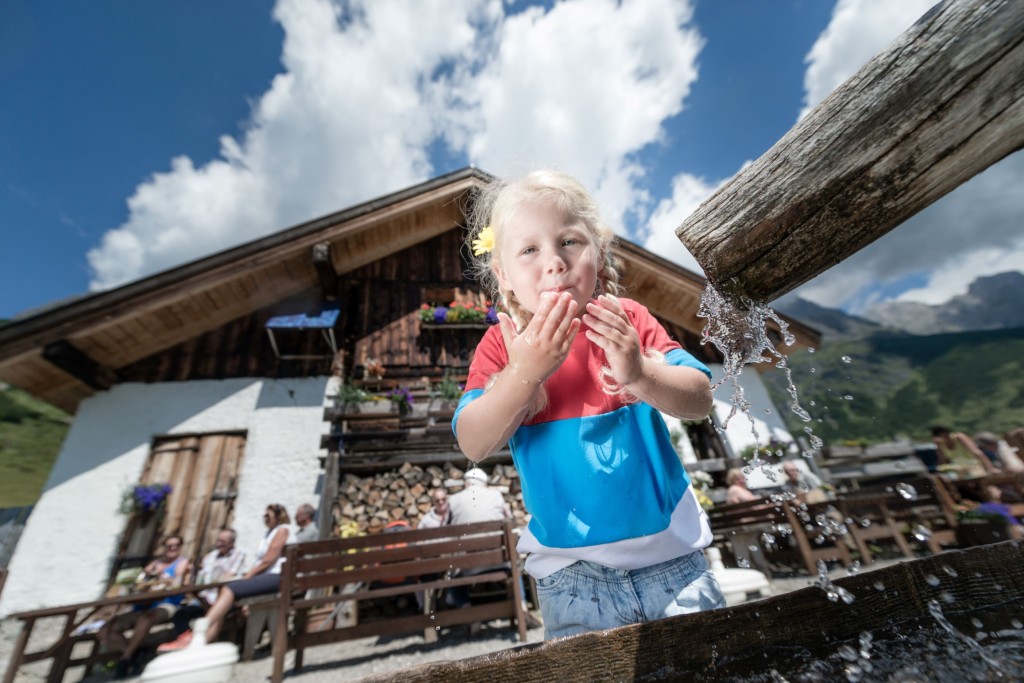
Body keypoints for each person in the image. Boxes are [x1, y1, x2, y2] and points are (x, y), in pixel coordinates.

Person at [453, 169, 724, 639]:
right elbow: (473, 442)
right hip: (570, 576)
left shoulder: (628, 319)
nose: (554, 262)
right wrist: (524, 374)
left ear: (597, 253)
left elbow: (699, 397)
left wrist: (640, 372)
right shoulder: (503, 347)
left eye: (569, 242)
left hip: (675, 560)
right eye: (529, 250)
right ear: (504, 275)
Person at [158, 504, 295, 650]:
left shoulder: (282, 530)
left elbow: (268, 560)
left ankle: (200, 631)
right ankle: (199, 643)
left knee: (229, 590)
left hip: (277, 576)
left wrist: (248, 576)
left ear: (279, 516)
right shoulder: (272, 532)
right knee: (224, 601)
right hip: (270, 577)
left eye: (268, 516)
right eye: (264, 516)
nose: (265, 519)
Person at [99, 535, 191, 678]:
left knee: (146, 620)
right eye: (169, 546)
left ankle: (125, 659)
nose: (172, 548)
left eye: (176, 545)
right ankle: (134, 655)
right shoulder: (155, 563)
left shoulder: (182, 562)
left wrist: (161, 576)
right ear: (164, 547)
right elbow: (139, 579)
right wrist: (144, 576)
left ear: (180, 547)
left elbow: (177, 581)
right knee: (105, 630)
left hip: (167, 603)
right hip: (142, 605)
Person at [158, 529, 247, 651]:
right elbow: (202, 577)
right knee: (180, 614)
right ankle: (185, 642)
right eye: (218, 540)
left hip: (222, 596)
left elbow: (231, 575)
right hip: (204, 596)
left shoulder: (238, 554)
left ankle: (198, 646)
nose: (219, 544)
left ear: (232, 543)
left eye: (223, 542)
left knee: (217, 612)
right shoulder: (210, 556)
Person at [931, 425, 996, 476]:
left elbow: (977, 452)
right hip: (959, 471)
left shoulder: (959, 437)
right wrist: (938, 447)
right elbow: (943, 461)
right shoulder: (941, 444)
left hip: (974, 467)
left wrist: (990, 468)